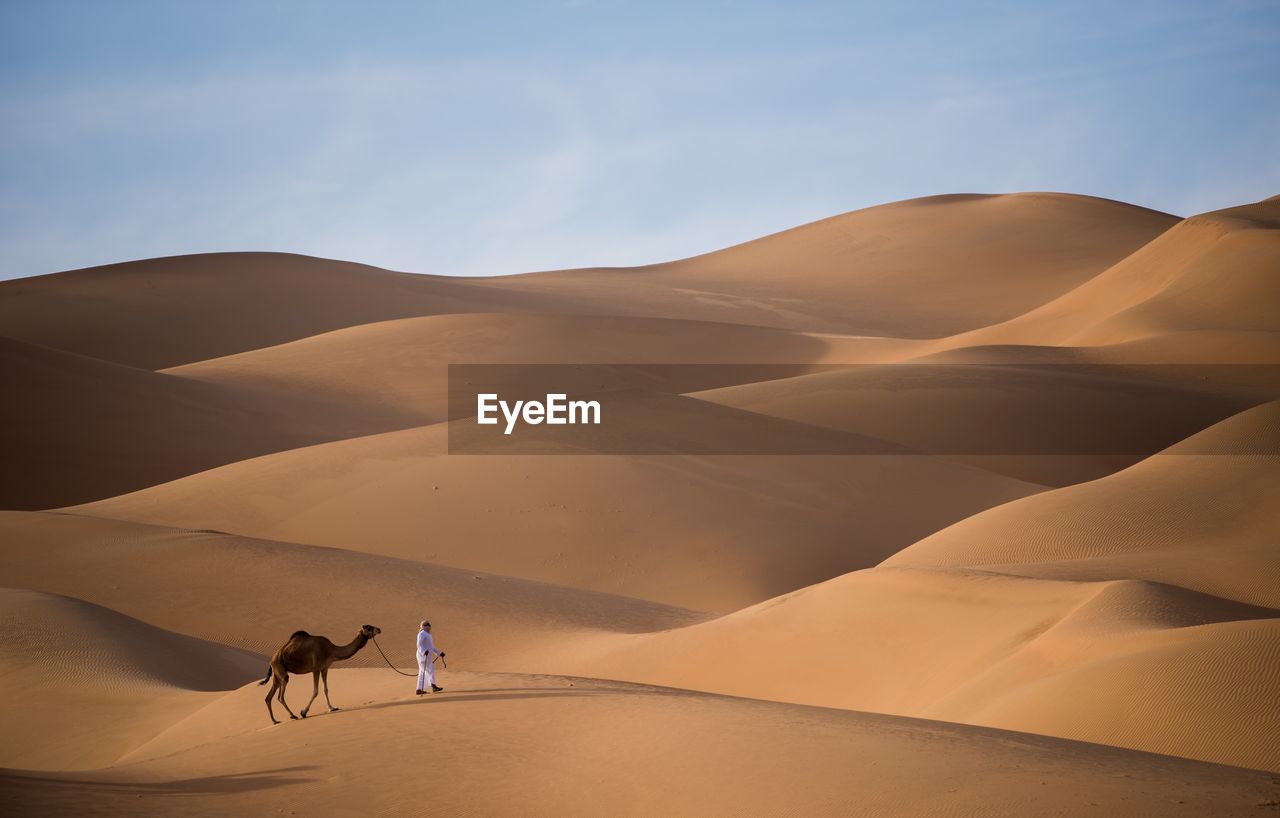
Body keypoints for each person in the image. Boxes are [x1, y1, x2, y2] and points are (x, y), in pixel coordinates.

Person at [416, 619, 445, 695]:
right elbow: (419, 645)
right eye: (426, 625)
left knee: (422, 672)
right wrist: (423, 651)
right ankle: (433, 686)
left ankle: (419, 689)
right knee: (430, 669)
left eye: (428, 624)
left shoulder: (428, 634)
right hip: (423, 656)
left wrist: (439, 653)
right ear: (423, 626)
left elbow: (431, 647)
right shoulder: (422, 634)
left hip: (427, 656)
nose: (428, 626)